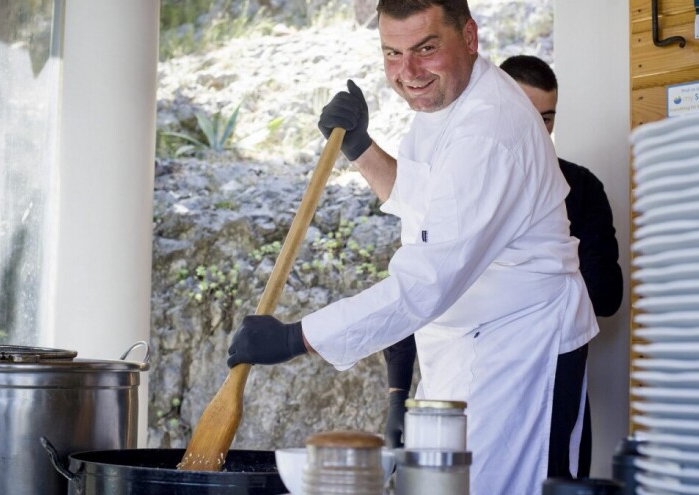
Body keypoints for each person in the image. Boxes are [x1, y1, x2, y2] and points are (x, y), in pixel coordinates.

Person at [226, 1, 599, 493]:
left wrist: (297, 338)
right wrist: (360, 147)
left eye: (426, 49)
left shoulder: (489, 131)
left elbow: (426, 282)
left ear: (469, 37)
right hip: (462, 343)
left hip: (522, 351)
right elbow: (426, 206)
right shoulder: (447, 99)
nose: (409, 72)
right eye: (393, 53)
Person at [382, 55, 624, 480]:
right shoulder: (456, 184)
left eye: (546, 119)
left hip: (546, 377)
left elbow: (606, 297)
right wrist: (397, 394)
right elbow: (418, 287)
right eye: (526, 114)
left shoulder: (581, 189)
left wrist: (540, 267)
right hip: (459, 381)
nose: (536, 130)